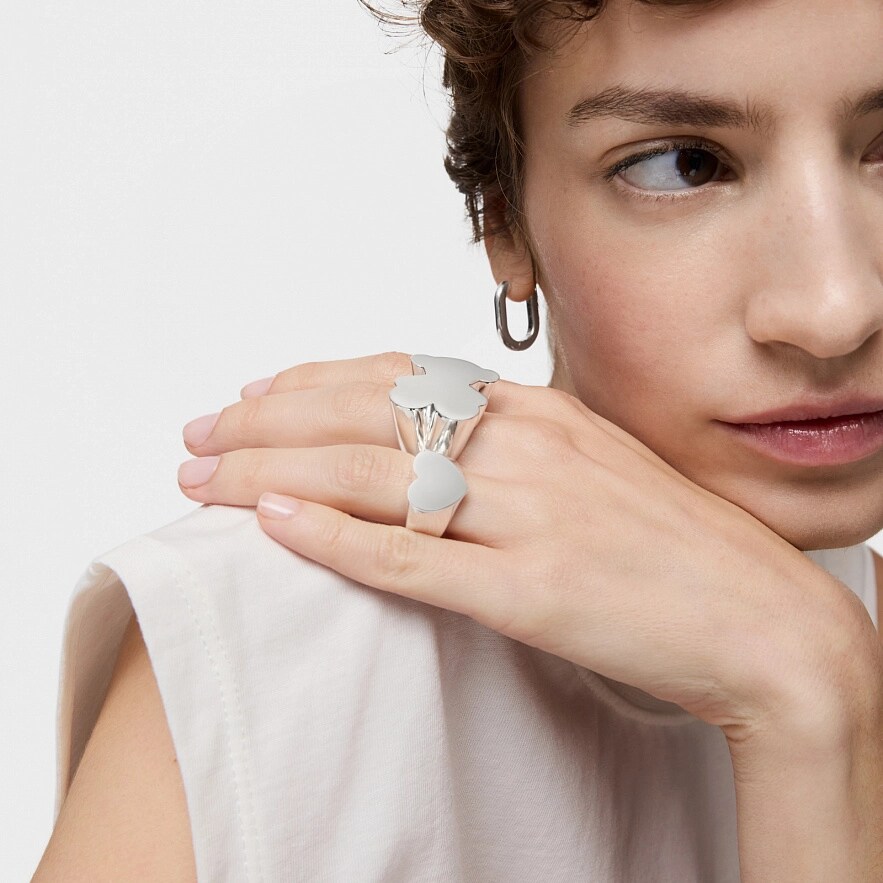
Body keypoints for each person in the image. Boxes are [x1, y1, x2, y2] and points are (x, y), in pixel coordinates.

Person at [34, 0, 883, 879]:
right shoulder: (275, 645)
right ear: (504, 224)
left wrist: (813, 714)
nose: (834, 311)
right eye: (683, 165)